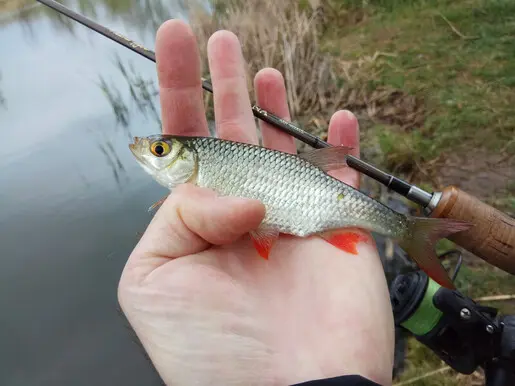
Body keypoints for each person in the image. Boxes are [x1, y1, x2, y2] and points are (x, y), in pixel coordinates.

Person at [117, 19, 395, 386]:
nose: (151, 153)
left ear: (188, 160)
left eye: (159, 150)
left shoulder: (195, 186)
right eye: (159, 149)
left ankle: (403, 228)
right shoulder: (193, 190)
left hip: (306, 211)